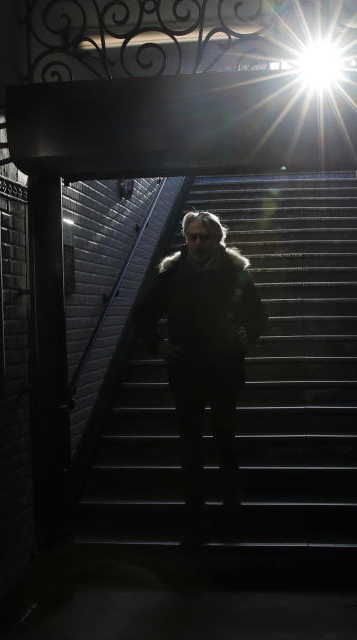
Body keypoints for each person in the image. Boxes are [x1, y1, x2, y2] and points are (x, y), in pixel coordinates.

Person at [134, 210, 267, 546]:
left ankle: (230, 515)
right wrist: (158, 344)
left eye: (203, 237)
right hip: (187, 370)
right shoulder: (173, 272)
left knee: (224, 442)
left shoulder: (234, 271)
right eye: (192, 236)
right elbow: (142, 315)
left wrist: (245, 335)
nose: (197, 243)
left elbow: (258, 315)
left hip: (223, 369)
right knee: (191, 447)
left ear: (216, 238)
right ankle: (197, 521)